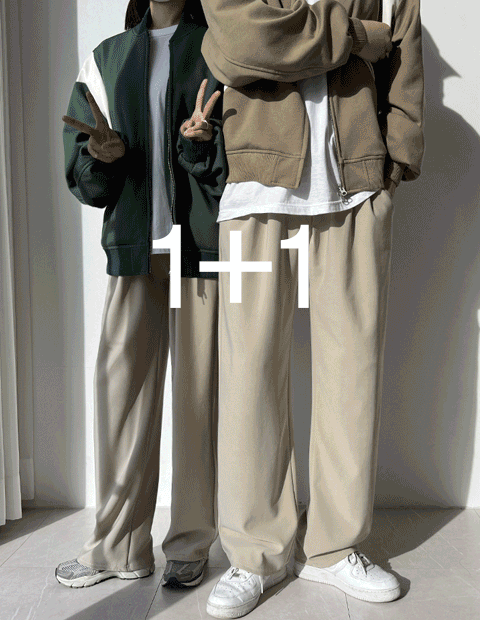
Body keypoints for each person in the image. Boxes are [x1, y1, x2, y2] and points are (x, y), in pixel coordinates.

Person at [197, 0, 425, 617]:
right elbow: (239, 43)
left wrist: (396, 164)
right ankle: (255, 555)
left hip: (355, 187)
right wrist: (352, 37)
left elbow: (404, 60)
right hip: (253, 186)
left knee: (353, 373)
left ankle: (335, 548)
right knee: (248, 376)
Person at [55, 0, 227, 589]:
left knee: (198, 400)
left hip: (198, 248)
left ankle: (191, 542)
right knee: (120, 397)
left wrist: (201, 146)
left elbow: (234, 167)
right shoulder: (108, 59)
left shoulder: (216, 46)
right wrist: (99, 157)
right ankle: (120, 547)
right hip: (134, 248)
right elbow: (85, 174)